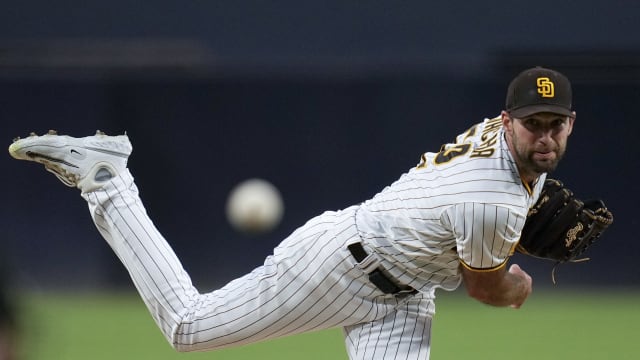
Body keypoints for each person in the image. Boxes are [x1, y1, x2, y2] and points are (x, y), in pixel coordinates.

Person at [7, 66, 575, 359]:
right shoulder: (493, 201)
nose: (545, 136)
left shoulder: (506, 155)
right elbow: (487, 289)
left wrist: (507, 233)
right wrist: (517, 282)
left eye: (555, 123)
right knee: (187, 328)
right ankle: (109, 180)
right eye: (534, 123)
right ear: (508, 122)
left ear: (571, 123)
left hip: (405, 295)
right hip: (345, 267)